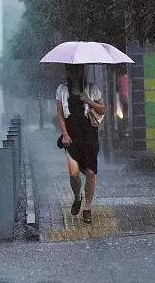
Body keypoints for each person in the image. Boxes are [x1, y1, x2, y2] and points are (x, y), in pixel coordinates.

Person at [55, 64, 106, 224]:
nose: (75, 73)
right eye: (71, 70)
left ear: (83, 71)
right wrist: (64, 134)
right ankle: (77, 197)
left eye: (78, 69)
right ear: (68, 72)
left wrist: (89, 100)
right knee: (73, 174)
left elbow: (103, 109)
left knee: (90, 173)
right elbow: (60, 114)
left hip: (89, 134)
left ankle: (88, 208)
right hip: (71, 134)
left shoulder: (92, 88)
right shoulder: (62, 90)